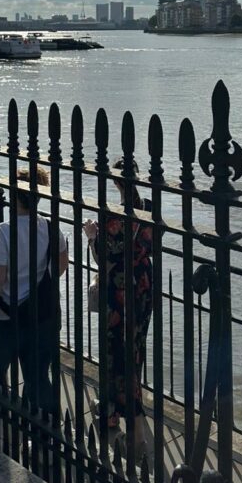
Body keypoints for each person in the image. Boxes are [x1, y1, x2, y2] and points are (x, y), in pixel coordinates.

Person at [0, 167, 68, 417]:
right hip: (42, 317)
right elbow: (60, 268)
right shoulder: (52, 229)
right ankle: (44, 432)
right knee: (38, 378)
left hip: (7, 318)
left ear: (14, 196)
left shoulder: (3, 232)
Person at [83, 158, 153, 461]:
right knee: (135, 349)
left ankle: (120, 420)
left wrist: (92, 236)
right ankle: (122, 406)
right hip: (144, 286)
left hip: (119, 291)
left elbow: (105, 259)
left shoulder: (112, 216)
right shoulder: (148, 208)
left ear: (115, 182)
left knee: (114, 353)